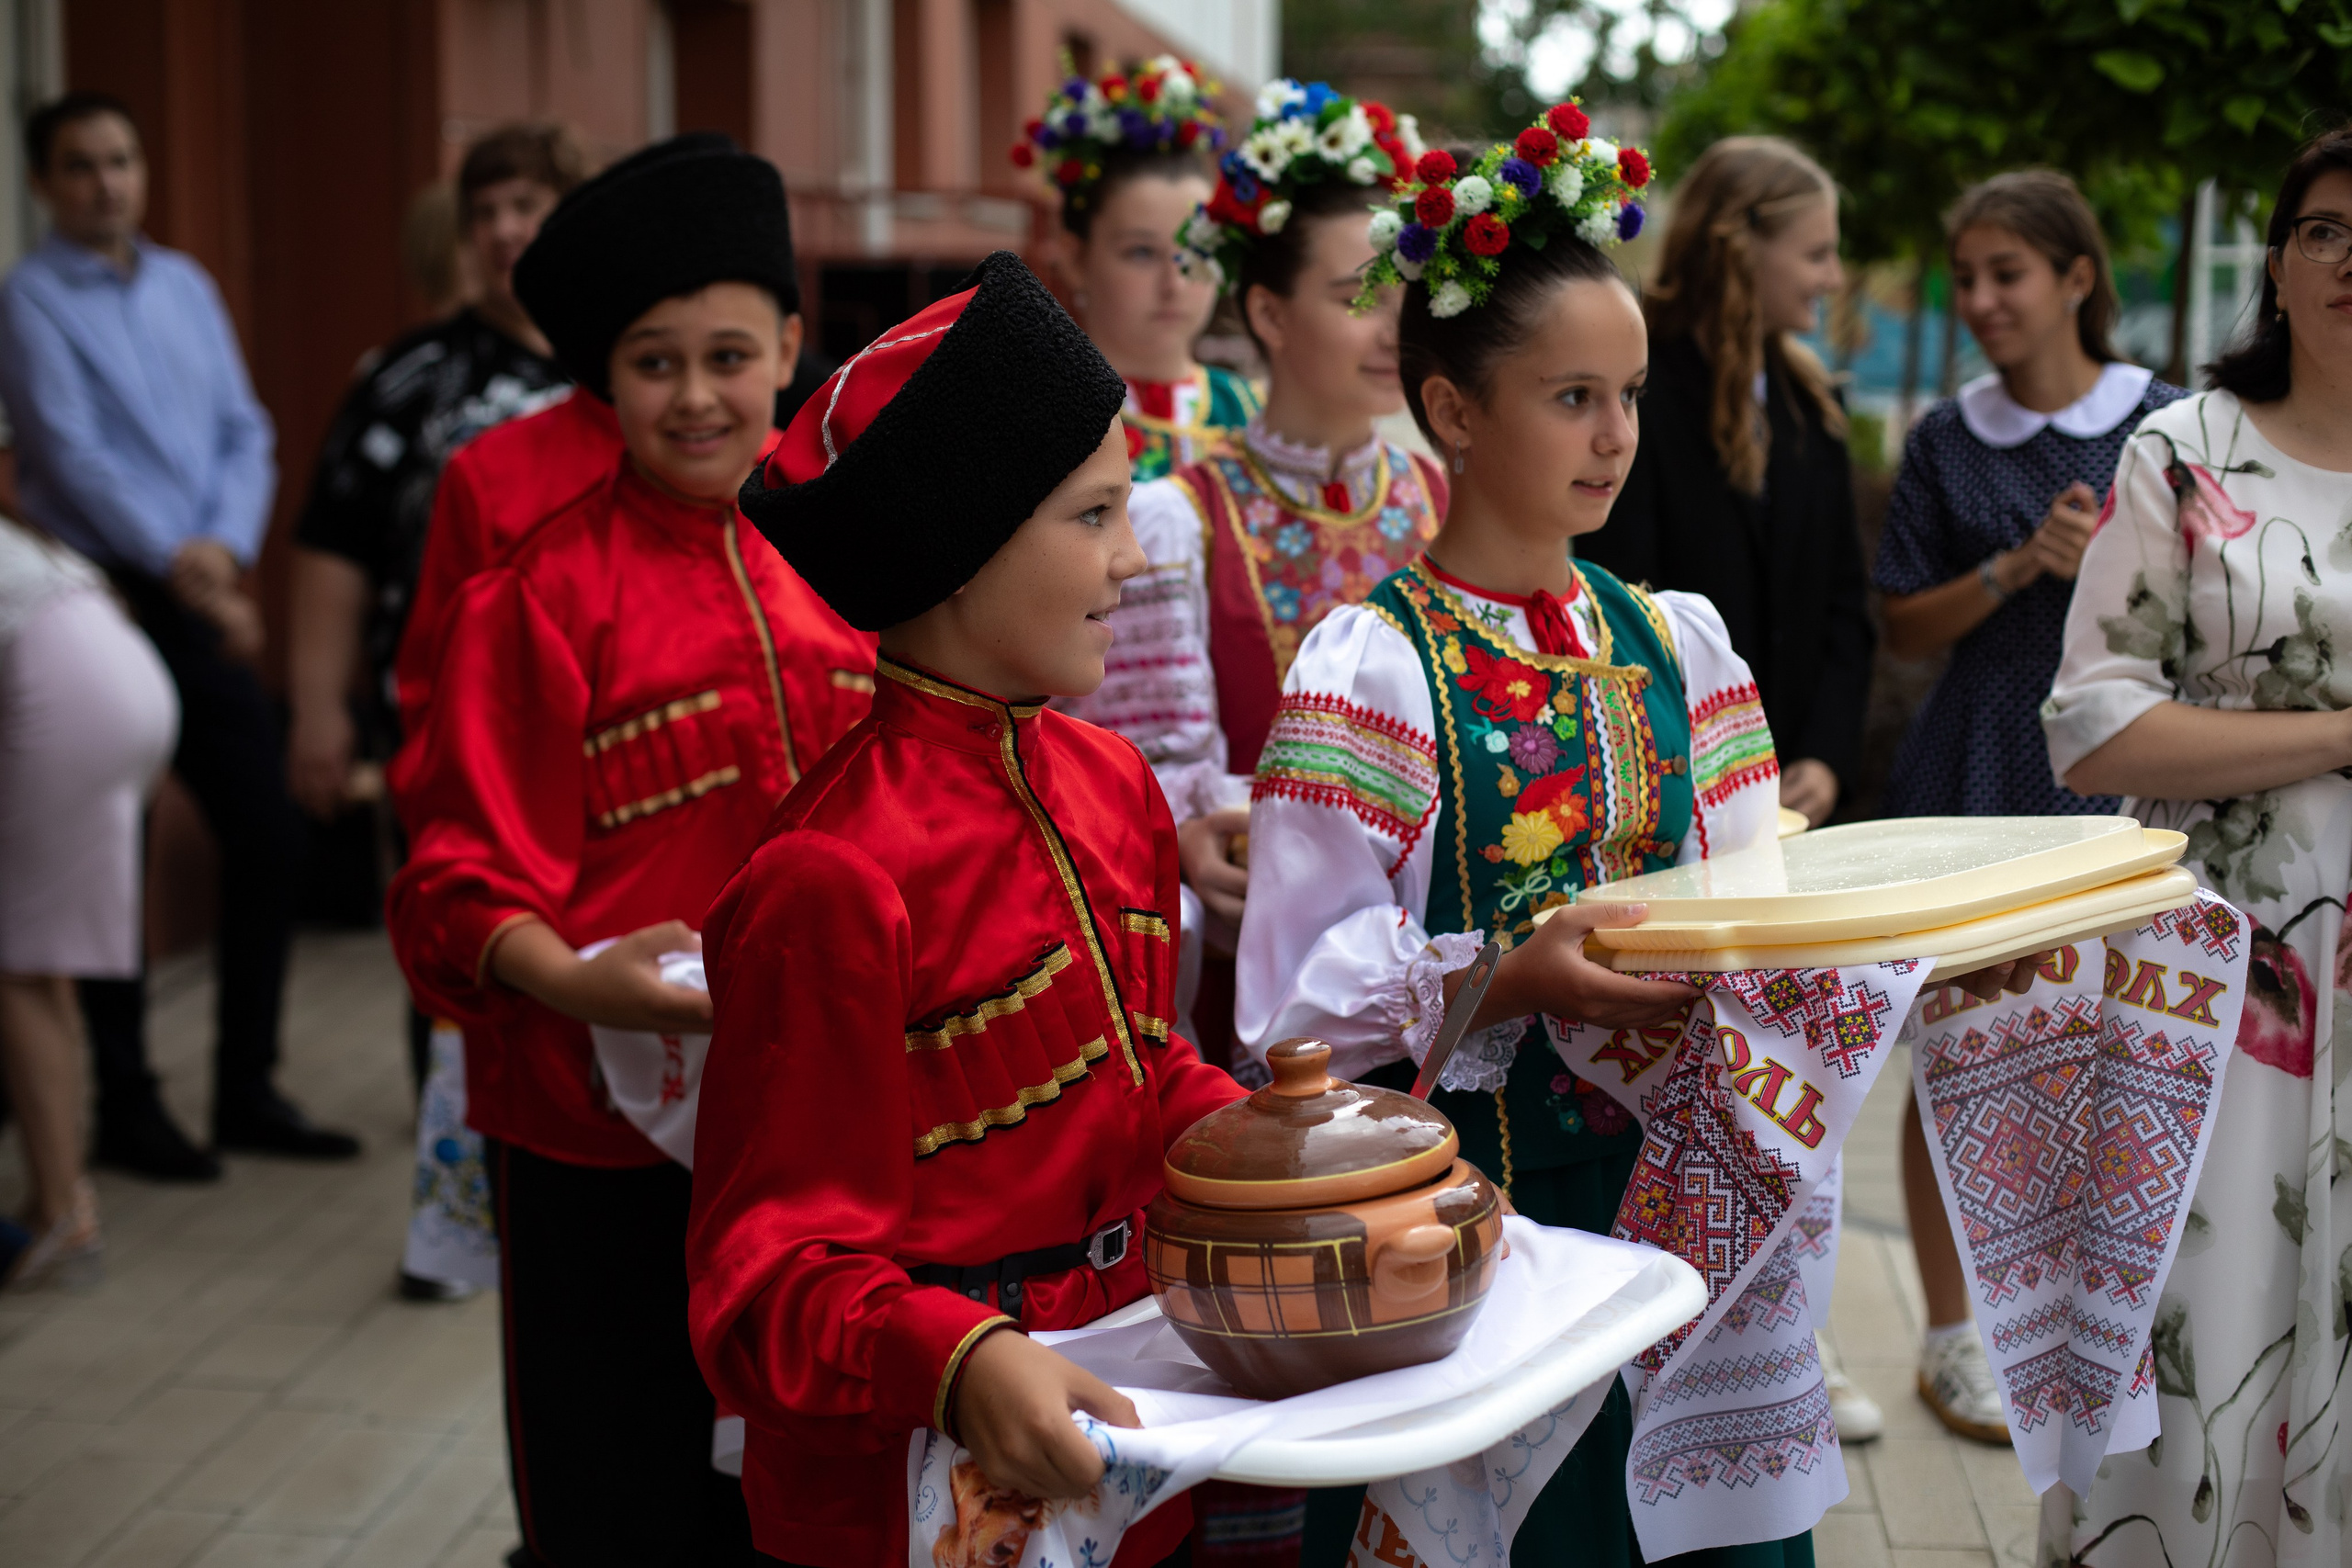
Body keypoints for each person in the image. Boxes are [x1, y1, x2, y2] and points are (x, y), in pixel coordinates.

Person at [1236, 107, 1815, 1566]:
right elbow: (1290, 1011)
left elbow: (1770, 905)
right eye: (1572, 395)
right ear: (1452, 409)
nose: (1618, 432)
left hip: (1688, 1216)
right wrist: (1510, 974)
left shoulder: (1676, 641)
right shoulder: (1371, 666)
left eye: (1626, 392)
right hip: (1472, 1233)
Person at [690, 249, 1250, 1568]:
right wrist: (957, 1356)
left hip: (1128, 1400)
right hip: (900, 1492)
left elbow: (1138, 1067)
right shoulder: (827, 875)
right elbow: (760, 1283)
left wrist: (1289, 1145)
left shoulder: (1109, 779)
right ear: (959, 545)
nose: (1134, 557)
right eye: (1096, 515)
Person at [387, 134, 875, 1567]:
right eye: (653, 363)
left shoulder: (847, 558)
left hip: (806, 1106)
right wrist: (589, 983)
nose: (698, 395)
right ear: (603, 380)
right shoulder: (538, 593)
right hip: (589, 1126)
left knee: (786, 1477)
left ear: (791, 345)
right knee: (612, 1486)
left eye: (729, 353)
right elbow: (456, 880)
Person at [2042, 125, 2352, 1568]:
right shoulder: (2186, 448)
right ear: (2278, 267)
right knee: (2207, 1313)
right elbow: (2095, 728)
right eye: (2327, 230)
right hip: (2222, 970)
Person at [1873, 168, 2185, 1446]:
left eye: (2008, 272)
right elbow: (1900, 622)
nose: (1984, 299)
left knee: (2128, 1037)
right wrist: (2019, 564)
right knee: (1961, 1042)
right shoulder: (1947, 437)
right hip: (1982, 759)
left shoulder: (2170, 421)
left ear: (2076, 278)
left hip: (2129, 756)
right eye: (1968, 277)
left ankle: (2114, 1318)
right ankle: (1953, 1334)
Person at [0, 90, 357, 1173]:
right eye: (79, 166)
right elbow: (68, 457)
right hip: (99, 602)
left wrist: (222, 547)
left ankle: (247, 1087)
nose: (105, 183)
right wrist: (192, 571)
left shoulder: (188, 286)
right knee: (111, 860)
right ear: (41, 184)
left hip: (201, 583)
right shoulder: (28, 300)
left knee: (269, 830)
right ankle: (126, 1103)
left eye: (120, 160)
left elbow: (244, 430)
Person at [1068, 80, 1437, 1053]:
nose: (1392, 326)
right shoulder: (1178, 514)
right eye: (1359, 294)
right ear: (1268, 313)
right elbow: (1138, 772)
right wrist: (1183, 836)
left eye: (1403, 292)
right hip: (1252, 973)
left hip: (1441, 953)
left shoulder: (1441, 498)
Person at [286, 121, 586, 1303]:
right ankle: (468, 1210)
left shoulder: (630, 369)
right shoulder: (408, 380)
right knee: (459, 961)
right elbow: (331, 553)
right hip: (447, 734)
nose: (507, 230)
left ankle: (573, 1192)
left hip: (603, 744)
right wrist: (318, 710)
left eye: (527, 205)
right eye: (485, 213)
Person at [1572, 136, 1871, 833]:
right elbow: (1614, 595)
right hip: (1671, 791)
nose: (1832, 278)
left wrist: (1826, 758)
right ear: (1739, 245)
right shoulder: (1638, 395)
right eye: (1816, 253)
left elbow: (1845, 609)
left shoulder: (1813, 404)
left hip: (1796, 798)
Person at [0, 516, 177, 1284]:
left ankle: (62, 1211)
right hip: (127, 687)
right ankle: (63, 1196)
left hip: (69, 703)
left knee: (22, 965)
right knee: (42, 963)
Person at [1015, 56, 1259, 479]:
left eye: (1195, 253)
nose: (1174, 284)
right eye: (1141, 253)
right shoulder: (1034, 411)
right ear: (1075, 258)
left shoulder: (1250, 414)